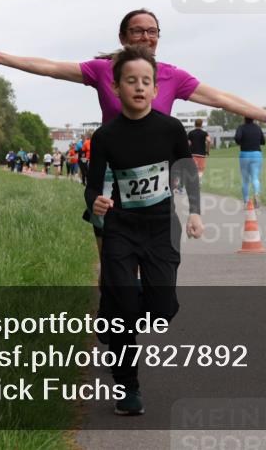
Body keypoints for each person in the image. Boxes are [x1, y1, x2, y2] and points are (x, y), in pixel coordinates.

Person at [0, 9, 266, 250]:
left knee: (149, 252)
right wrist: (2, 57)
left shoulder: (172, 76)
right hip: (111, 174)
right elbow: (51, 67)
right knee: (110, 251)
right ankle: (115, 309)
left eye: (152, 31)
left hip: (155, 181)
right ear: (123, 37)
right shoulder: (102, 70)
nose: (146, 36)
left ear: (159, 38)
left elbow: (219, 98)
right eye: (138, 30)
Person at [86, 44, 203, 416]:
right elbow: (93, 185)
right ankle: (127, 387)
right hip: (121, 227)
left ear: (155, 90)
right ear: (116, 88)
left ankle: (114, 313)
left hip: (160, 227)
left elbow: (185, 174)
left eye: (146, 81)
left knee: (161, 309)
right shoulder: (105, 136)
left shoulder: (170, 128)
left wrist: (196, 213)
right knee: (123, 309)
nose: (139, 87)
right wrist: (96, 203)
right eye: (130, 80)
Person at [234, 117, 266, 208]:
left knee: (245, 180)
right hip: (257, 154)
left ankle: (246, 202)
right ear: (254, 119)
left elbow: (237, 138)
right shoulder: (258, 128)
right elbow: (263, 141)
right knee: (255, 177)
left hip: (244, 154)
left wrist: (241, 142)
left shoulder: (241, 127)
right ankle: (256, 194)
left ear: (244, 119)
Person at [188, 118, 212, 183]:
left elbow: (188, 143)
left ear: (195, 124)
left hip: (192, 154)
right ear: (201, 124)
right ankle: (198, 180)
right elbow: (209, 141)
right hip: (201, 154)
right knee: (200, 170)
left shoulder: (191, 133)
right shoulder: (204, 133)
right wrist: (208, 150)